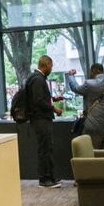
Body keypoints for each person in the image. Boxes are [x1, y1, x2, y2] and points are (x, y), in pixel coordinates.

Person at [26, 55, 64, 188]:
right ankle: (45, 179)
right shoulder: (38, 79)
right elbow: (38, 101)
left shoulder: (35, 78)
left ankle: (50, 177)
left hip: (39, 119)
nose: (51, 68)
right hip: (41, 119)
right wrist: (54, 108)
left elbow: (40, 97)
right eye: (51, 66)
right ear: (46, 64)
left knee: (46, 148)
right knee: (45, 149)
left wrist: (53, 98)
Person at [66, 63, 104, 149]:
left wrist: (71, 76)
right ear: (102, 71)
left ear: (92, 72)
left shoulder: (89, 84)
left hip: (94, 127)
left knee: (93, 157)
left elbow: (76, 88)